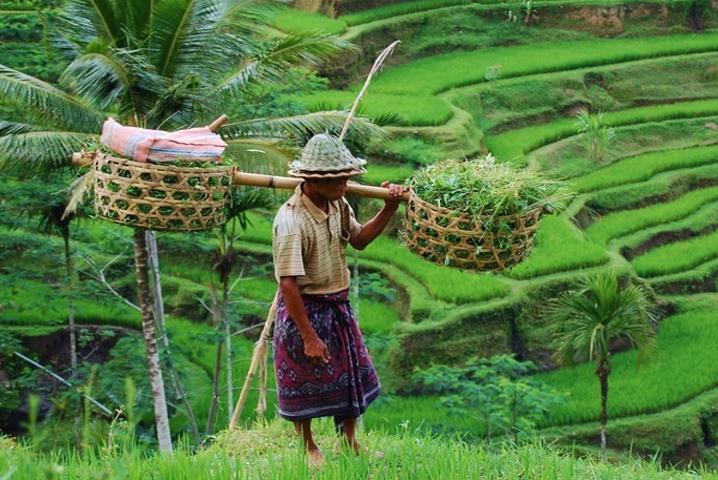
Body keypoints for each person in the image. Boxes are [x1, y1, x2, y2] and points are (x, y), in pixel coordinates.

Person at [271, 133, 406, 467]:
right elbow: (288, 284)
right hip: (304, 308)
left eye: (347, 177)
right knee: (302, 378)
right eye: (339, 179)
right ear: (314, 182)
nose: (346, 184)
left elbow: (359, 240)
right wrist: (309, 336)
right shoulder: (290, 221)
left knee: (350, 375)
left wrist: (389, 208)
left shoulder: (338, 204)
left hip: (338, 304)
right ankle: (308, 446)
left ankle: (349, 441)